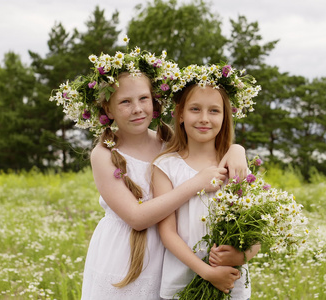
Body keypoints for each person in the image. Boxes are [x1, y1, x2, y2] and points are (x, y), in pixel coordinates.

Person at [50, 46, 248, 299]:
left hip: (171, 255)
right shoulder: (103, 154)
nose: (137, 109)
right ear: (107, 110)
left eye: (143, 99)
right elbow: (136, 217)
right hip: (122, 254)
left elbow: (204, 147)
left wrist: (236, 149)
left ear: (154, 101)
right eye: (125, 102)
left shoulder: (168, 143)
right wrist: (197, 183)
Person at [153, 64, 261, 299]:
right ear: (180, 113)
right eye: (195, 109)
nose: (204, 118)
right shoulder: (165, 166)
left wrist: (242, 256)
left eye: (214, 111)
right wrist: (206, 272)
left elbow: (256, 231)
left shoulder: (235, 165)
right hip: (182, 281)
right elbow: (168, 233)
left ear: (225, 116)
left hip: (230, 282)